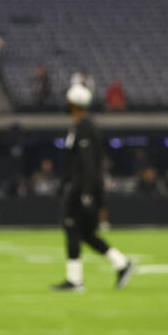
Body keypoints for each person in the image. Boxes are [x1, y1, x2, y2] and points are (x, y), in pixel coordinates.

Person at [52, 84, 135, 292]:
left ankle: (75, 281)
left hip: (82, 188)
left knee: (72, 227)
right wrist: (63, 184)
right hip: (82, 186)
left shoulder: (85, 127)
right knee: (87, 233)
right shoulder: (81, 125)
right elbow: (76, 163)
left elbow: (87, 162)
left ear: (74, 103)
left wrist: (87, 193)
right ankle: (122, 264)